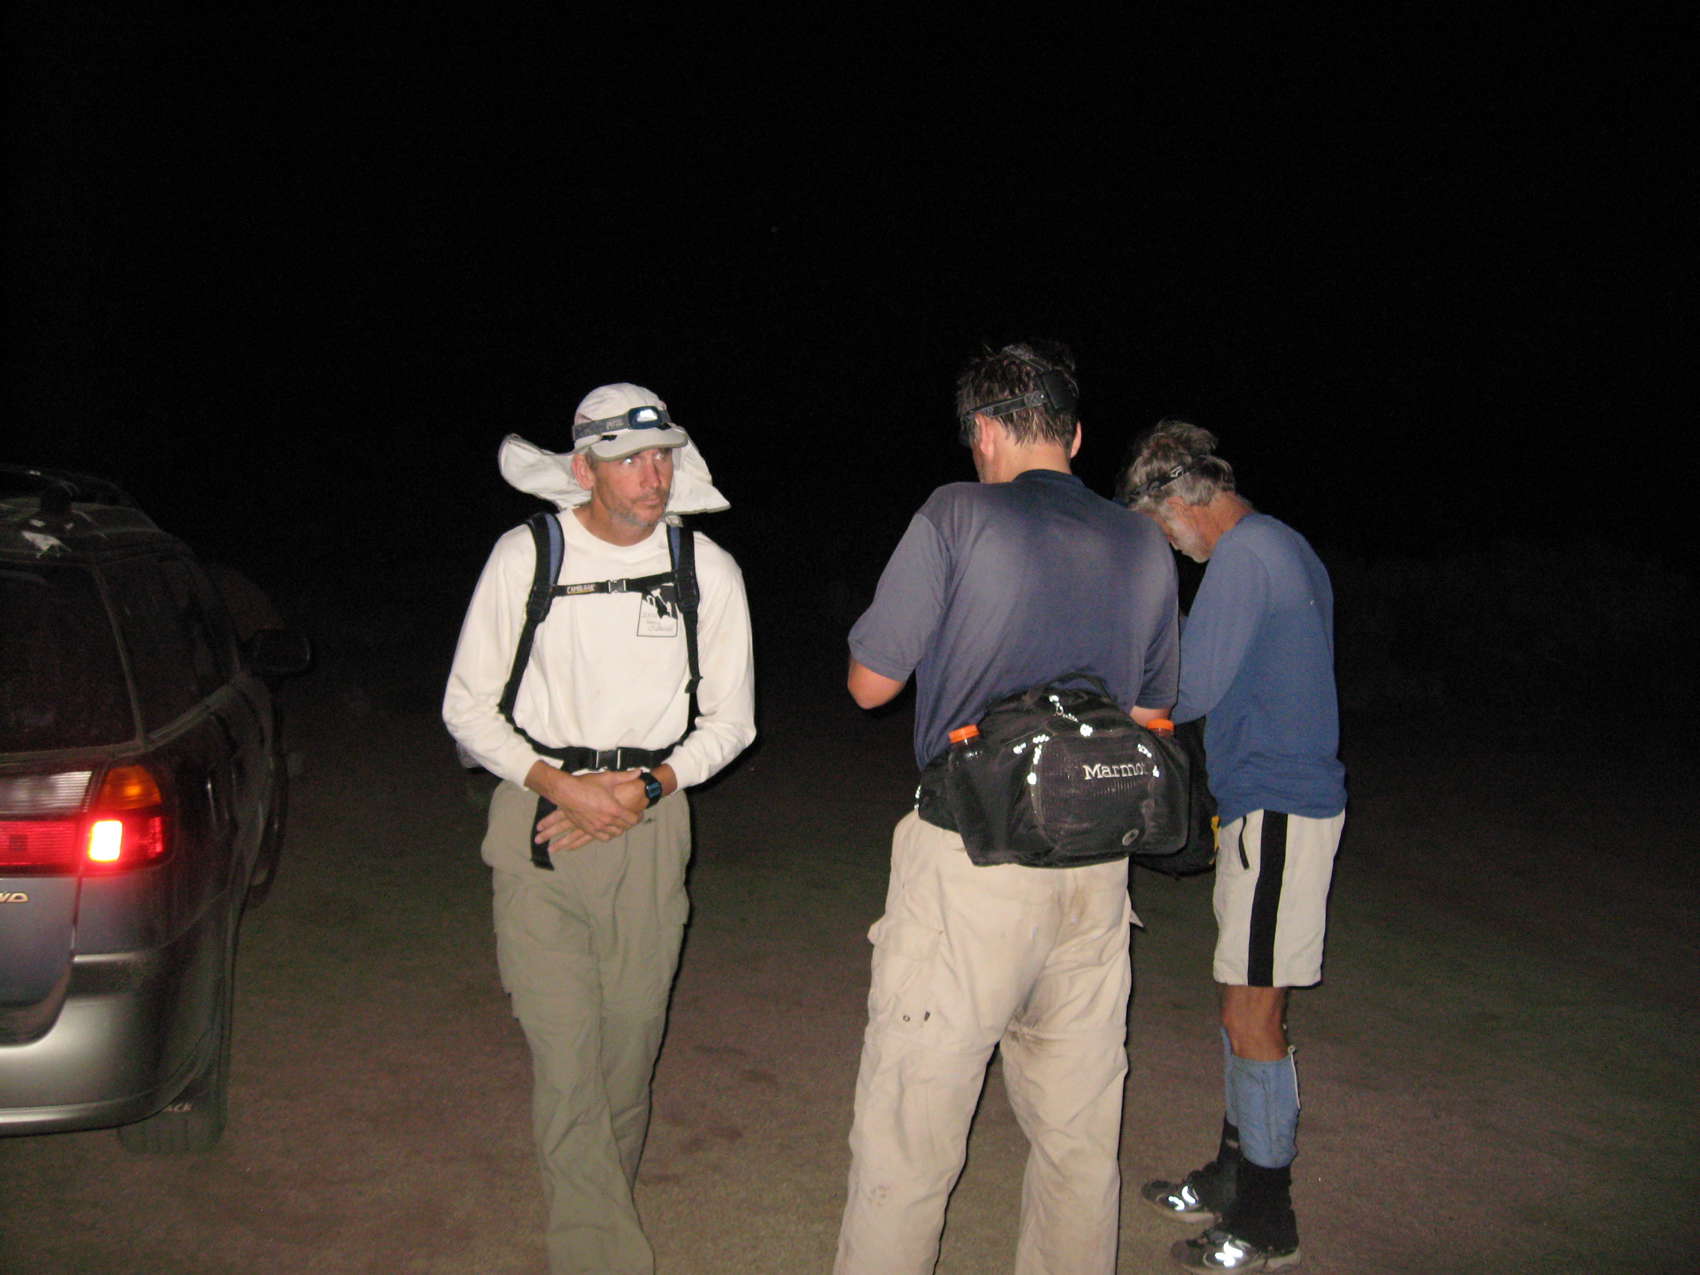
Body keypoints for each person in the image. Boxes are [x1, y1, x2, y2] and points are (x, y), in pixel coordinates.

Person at [835, 343, 1180, 1274]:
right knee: (1078, 1145)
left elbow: (870, 684)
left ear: (983, 431)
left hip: (971, 864)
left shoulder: (957, 513)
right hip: (1097, 872)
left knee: (911, 1140)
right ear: (1075, 434)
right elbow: (1153, 717)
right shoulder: (1143, 540)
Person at [442, 383, 755, 1275]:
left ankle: (595, 1206)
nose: (654, 475)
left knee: (627, 1052)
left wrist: (645, 788)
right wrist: (561, 786)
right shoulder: (526, 555)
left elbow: (732, 723)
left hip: (652, 823)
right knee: (568, 1057)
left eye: (662, 457)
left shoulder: (706, 570)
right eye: (630, 459)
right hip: (539, 818)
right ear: (584, 469)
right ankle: (600, 1254)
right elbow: (466, 707)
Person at [1119, 420, 1347, 1272]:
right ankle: (1233, 1169)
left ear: (1181, 501)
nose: (1169, 547)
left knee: (1255, 1014)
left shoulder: (1246, 557)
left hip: (1279, 810)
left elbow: (1185, 690)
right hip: (1265, 808)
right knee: (1239, 1003)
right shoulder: (1284, 545)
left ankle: (1267, 1214)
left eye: (1159, 529)